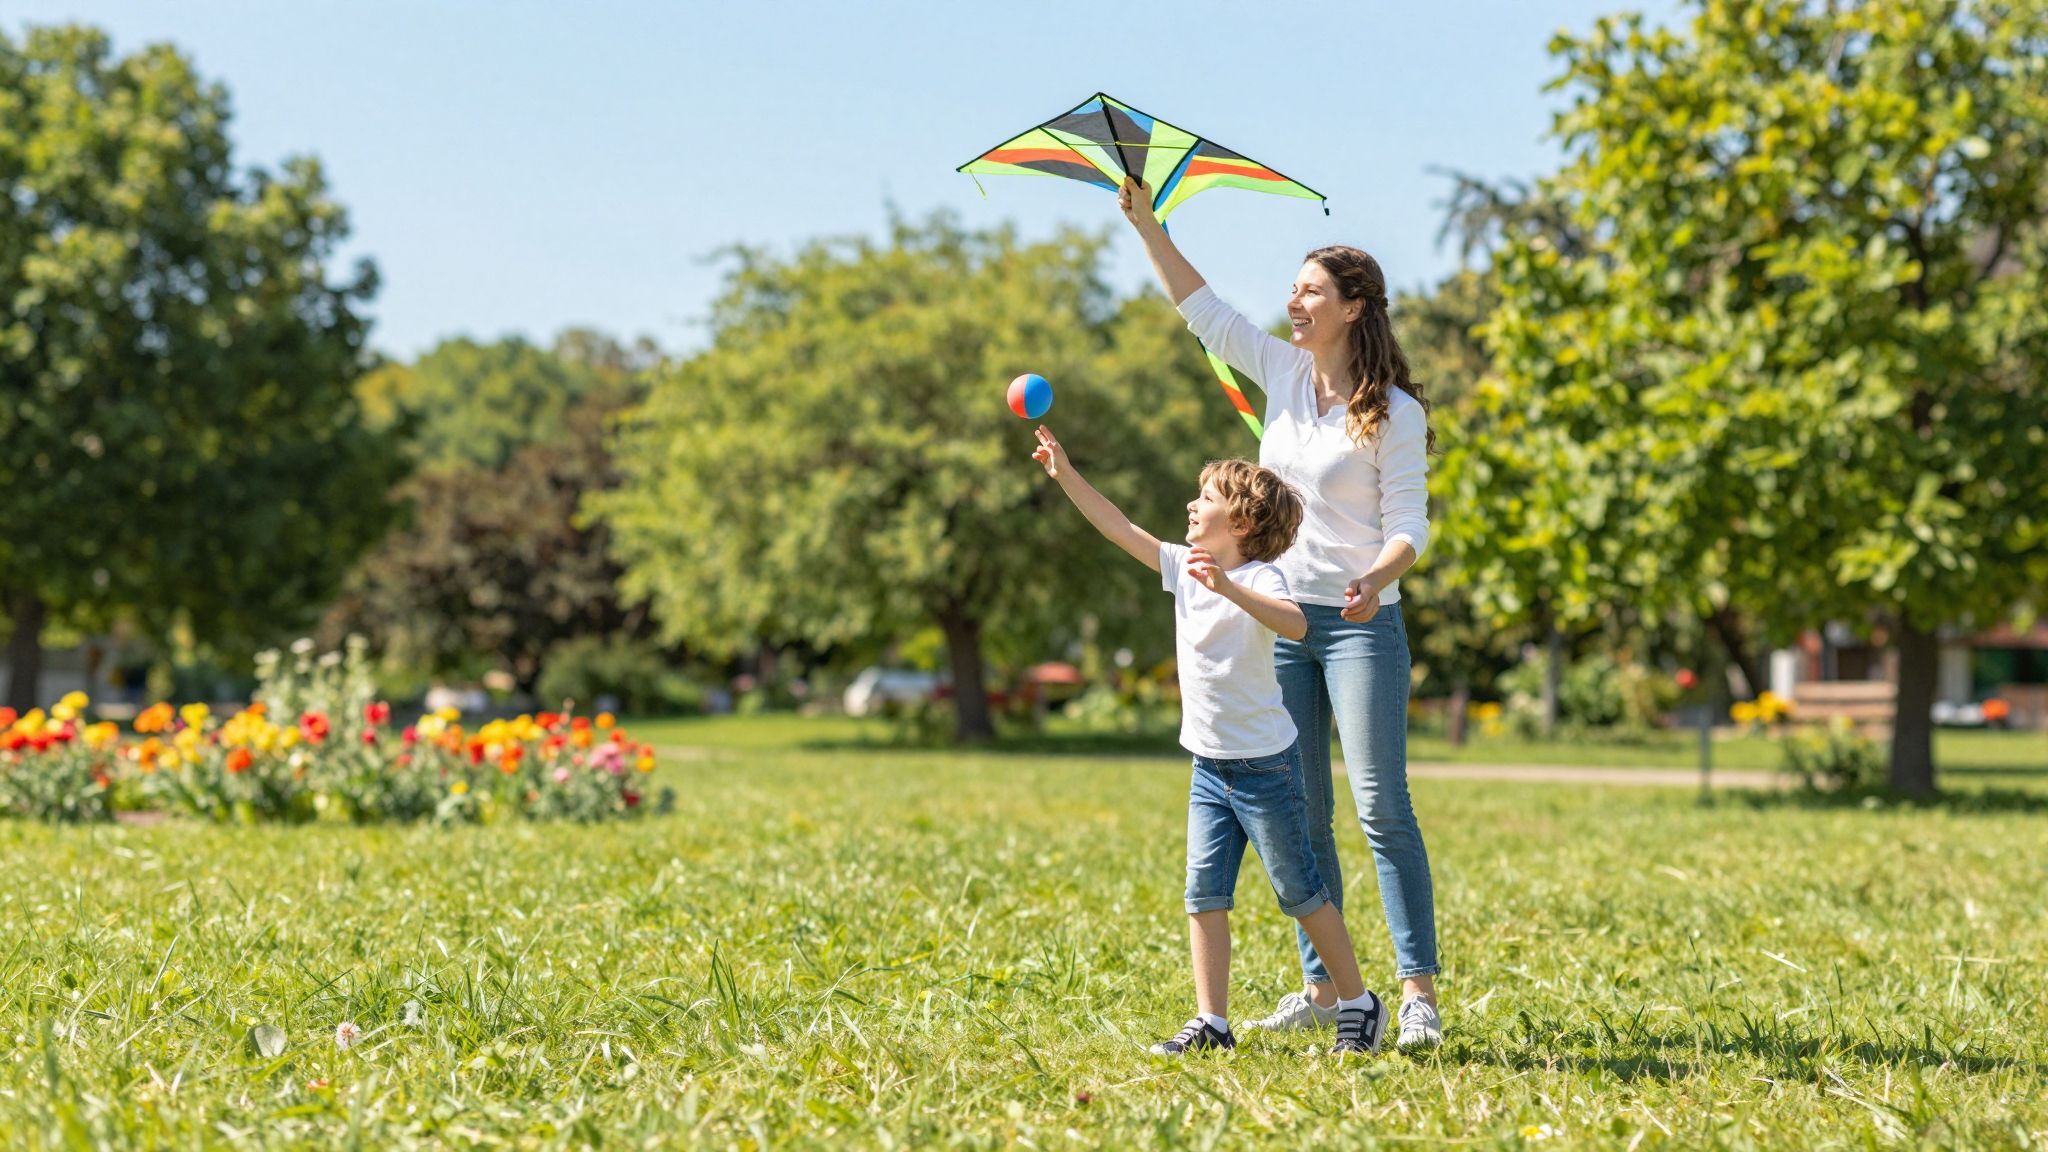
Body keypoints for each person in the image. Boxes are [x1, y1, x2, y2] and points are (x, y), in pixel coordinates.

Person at [1119, 176, 1444, 1050]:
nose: (1293, 301)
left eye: (1310, 290)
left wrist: (1376, 577)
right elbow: (1201, 309)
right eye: (1294, 288)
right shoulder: (1280, 374)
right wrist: (1150, 226)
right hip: (1277, 618)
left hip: (1359, 619)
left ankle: (1415, 994)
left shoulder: (1395, 414)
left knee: (1381, 804)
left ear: (1354, 308)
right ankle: (1325, 987)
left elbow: (1410, 525)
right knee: (1301, 812)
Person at [1029, 428, 1388, 1056]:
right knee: (1203, 893)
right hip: (1208, 768)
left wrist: (1229, 589)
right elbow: (1118, 527)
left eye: (1207, 497)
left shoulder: (1264, 578)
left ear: (1243, 522)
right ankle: (1212, 1023)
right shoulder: (1182, 566)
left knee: (1300, 893)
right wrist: (1066, 474)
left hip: (1265, 771)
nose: (1193, 505)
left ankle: (1359, 1003)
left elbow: (1296, 624)